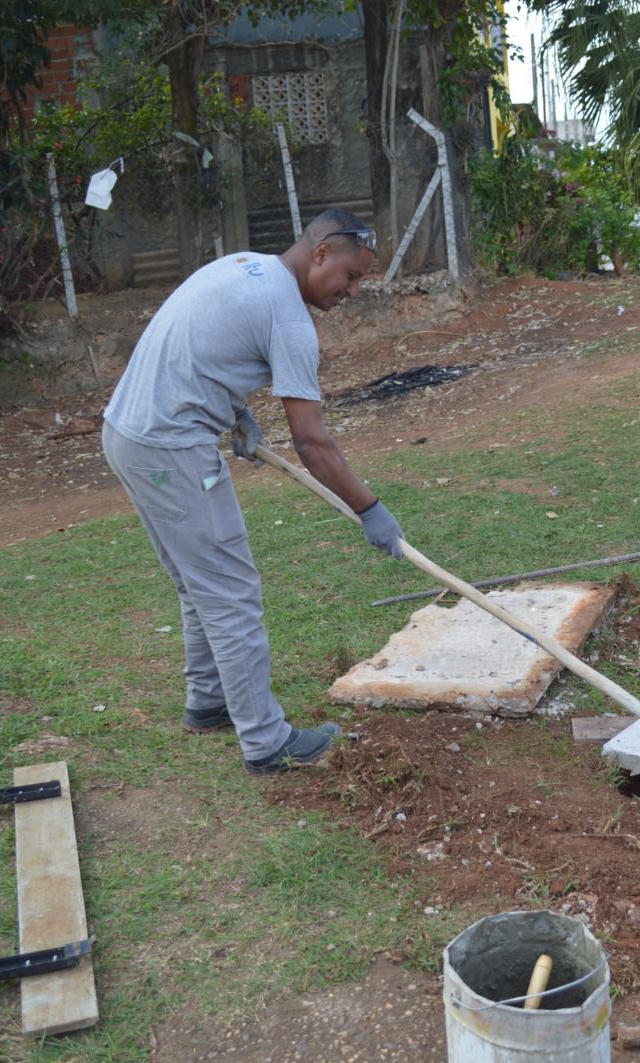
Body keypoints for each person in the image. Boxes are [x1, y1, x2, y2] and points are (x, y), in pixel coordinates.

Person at [102, 209, 403, 774]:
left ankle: (209, 700)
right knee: (231, 594)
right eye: (351, 276)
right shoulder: (289, 318)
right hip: (169, 448)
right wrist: (371, 509)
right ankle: (266, 742)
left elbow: (201, 347)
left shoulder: (244, 267)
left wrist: (236, 410)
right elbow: (313, 442)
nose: (353, 292)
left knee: (201, 585)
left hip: (127, 434)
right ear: (319, 254)